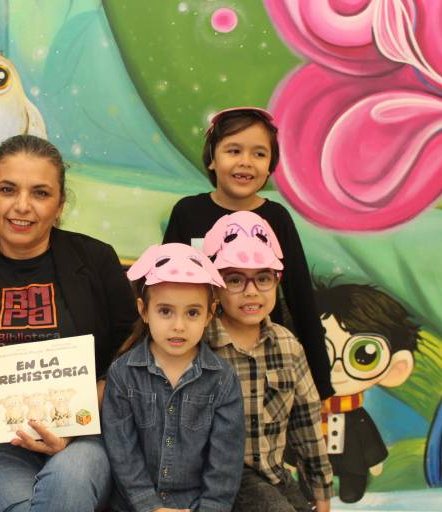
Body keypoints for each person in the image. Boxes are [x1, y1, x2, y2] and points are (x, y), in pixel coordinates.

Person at [0, 134, 138, 512]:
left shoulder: (95, 261)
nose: (22, 206)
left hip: (80, 440)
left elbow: (133, 353)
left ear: (60, 203)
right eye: (8, 189)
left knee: (70, 483)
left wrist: (77, 415)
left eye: (41, 193)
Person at [162, 107, 333, 400]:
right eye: (233, 150)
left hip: (263, 360)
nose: (246, 162)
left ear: (270, 166)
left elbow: (301, 299)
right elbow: (164, 290)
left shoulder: (276, 218)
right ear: (212, 159)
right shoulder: (188, 212)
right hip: (200, 358)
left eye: (259, 154)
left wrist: (321, 385)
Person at [203, 211, 333, 512]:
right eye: (235, 279)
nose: (251, 291)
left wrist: (321, 490)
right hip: (219, 483)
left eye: (263, 278)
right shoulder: (200, 345)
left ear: (277, 281)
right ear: (215, 285)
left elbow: (307, 422)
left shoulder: (288, 346)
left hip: (274, 475)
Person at [102, 243, 245, 512]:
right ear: (144, 311)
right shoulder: (123, 374)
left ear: (209, 314)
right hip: (135, 505)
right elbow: (123, 454)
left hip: (196, 505)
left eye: (192, 313)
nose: (178, 325)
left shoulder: (223, 380)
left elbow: (225, 463)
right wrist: (150, 506)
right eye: (165, 311)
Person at [315, 281, 419, 502]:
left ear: (396, 368)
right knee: (311, 482)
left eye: (363, 355)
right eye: (321, 354)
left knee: (353, 485)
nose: (338, 367)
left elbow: (368, 438)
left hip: (352, 462)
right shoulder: (307, 415)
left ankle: (351, 488)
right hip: (314, 463)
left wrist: (375, 459)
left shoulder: (356, 416)